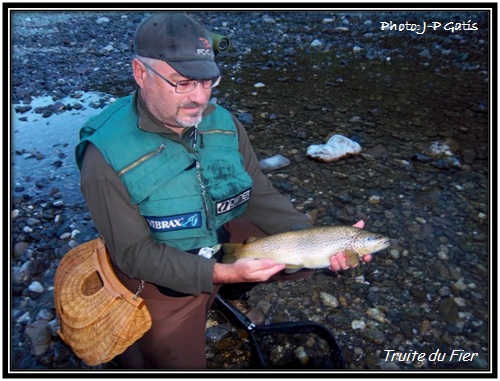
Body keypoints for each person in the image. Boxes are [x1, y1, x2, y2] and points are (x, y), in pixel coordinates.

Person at [75, 12, 371, 369]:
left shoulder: (224, 123)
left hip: (221, 234)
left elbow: (258, 193)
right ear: (140, 73)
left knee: (304, 256)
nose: (199, 98)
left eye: (207, 81)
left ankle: (229, 289)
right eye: (182, 83)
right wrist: (220, 273)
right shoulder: (105, 156)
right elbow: (135, 255)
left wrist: (318, 237)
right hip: (160, 280)